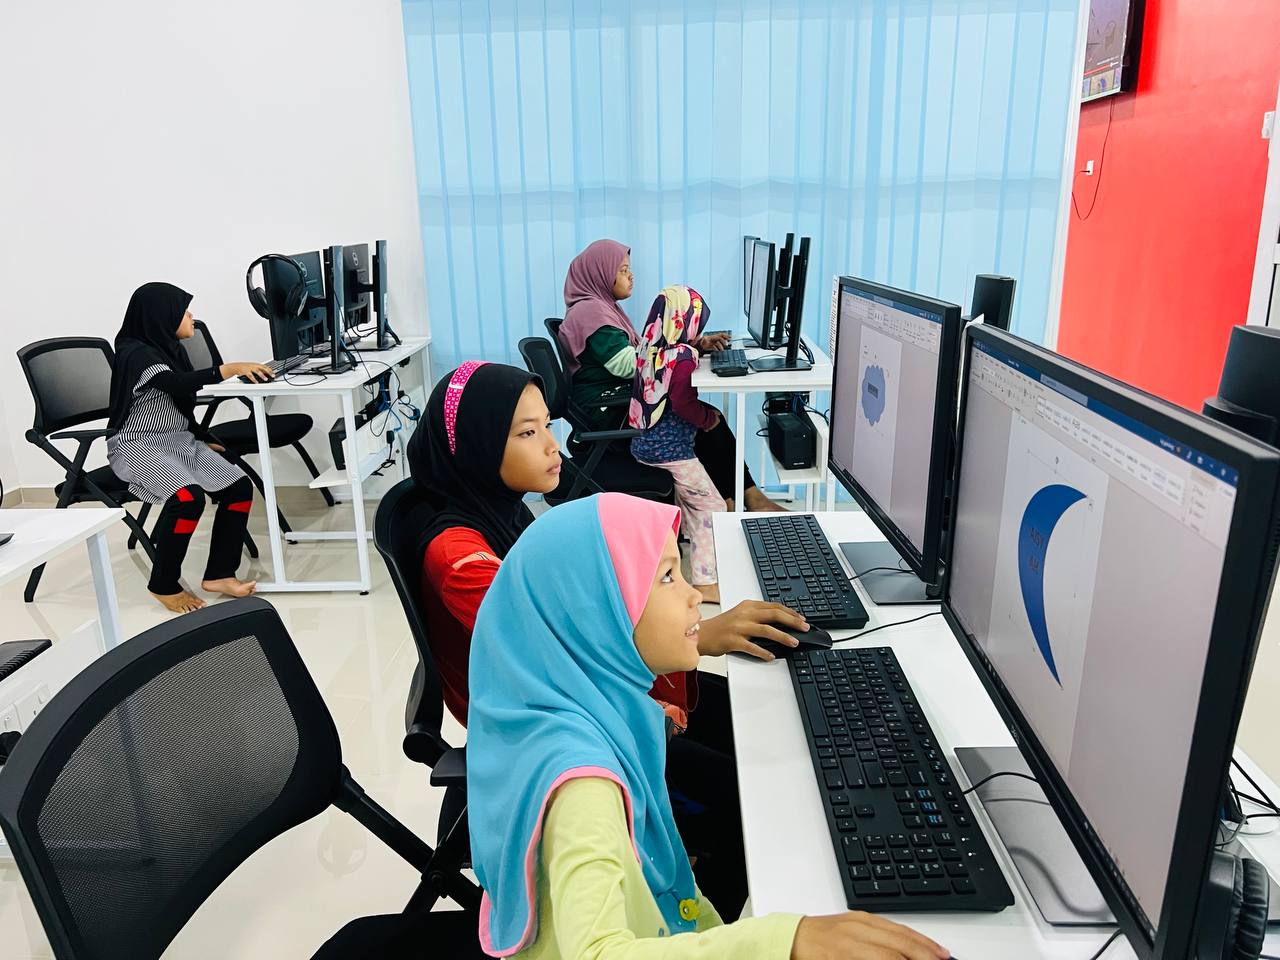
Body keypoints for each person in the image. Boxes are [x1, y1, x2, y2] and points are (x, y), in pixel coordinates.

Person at [466, 492, 952, 960]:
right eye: (666, 577)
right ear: (595, 613)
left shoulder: (588, 709)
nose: (694, 595)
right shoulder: (585, 790)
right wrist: (783, 943)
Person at [407, 361, 810, 918]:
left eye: (547, 426)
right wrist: (703, 634)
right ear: (476, 446)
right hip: (564, 724)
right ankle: (692, 930)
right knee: (747, 799)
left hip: (594, 696)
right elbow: (557, 644)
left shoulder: (498, 511)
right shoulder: (458, 556)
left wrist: (686, 616)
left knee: (762, 722)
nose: (553, 446)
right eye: (527, 433)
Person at [559, 239, 784, 513]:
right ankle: (740, 501)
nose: (631, 276)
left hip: (623, 399)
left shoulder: (601, 307)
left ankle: (735, 499)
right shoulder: (591, 312)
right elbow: (627, 365)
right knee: (704, 419)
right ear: (600, 273)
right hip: (608, 411)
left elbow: (645, 352)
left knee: (705, 417)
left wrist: (694, 345)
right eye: (623, 270)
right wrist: (683, 352)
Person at [106, 282, 275, 614]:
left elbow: (180, 403)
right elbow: (175, 384)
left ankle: (220, 574)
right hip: (138, 444)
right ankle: (163, 584)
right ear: (162, 316)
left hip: (179, 440)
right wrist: (229, 369)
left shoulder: (170, 349)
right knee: (187, 499)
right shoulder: (135, 352)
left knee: (238, 488)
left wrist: (200, 435)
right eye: (184, 311)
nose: (191, 317)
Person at [629, 285, 727, 604]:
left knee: (690, 498)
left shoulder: (648, 345)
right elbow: (684, 404)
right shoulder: (683, 359)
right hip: (671, 451)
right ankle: (705, 582)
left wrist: (698, 345)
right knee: (711, 506)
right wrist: (707, 420)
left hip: (644, 443)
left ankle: (691, 554)